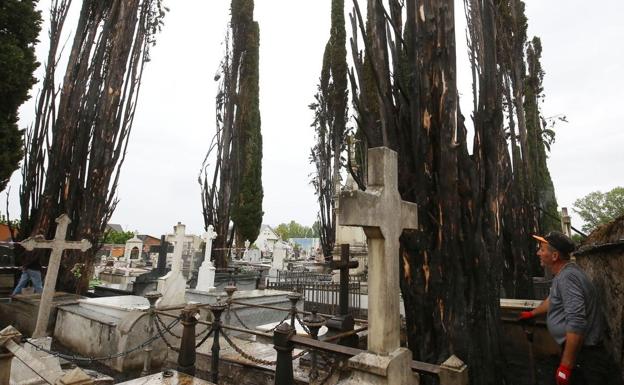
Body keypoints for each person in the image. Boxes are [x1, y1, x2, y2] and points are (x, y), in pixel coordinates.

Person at [519, 231, 621, 385]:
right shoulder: (564, 274)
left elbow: (577, 322)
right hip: (580, 352)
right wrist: (531, 314)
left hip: (586, 356)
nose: (538, 253)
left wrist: (565, 367)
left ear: (554, 256)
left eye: (542, 249)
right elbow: (553, 300)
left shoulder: (568, 278)